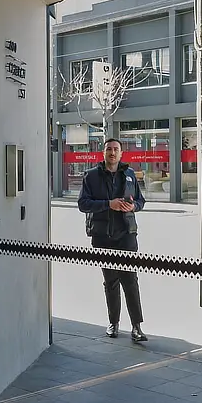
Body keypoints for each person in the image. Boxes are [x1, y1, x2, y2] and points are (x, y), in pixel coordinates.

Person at [78, 138, 147, 341]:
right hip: (103, 237)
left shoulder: (129, 174)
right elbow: (83, 203)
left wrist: (133, 207)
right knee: (110, 281)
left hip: (126, 235)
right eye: (109, 149)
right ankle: (114, 323)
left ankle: (136, 327)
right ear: (103, 153)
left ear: (121, 153)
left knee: (130, 280)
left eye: (116, 149)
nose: (113, 152)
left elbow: (141, 200)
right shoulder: (90, 176)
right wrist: (109, 204)